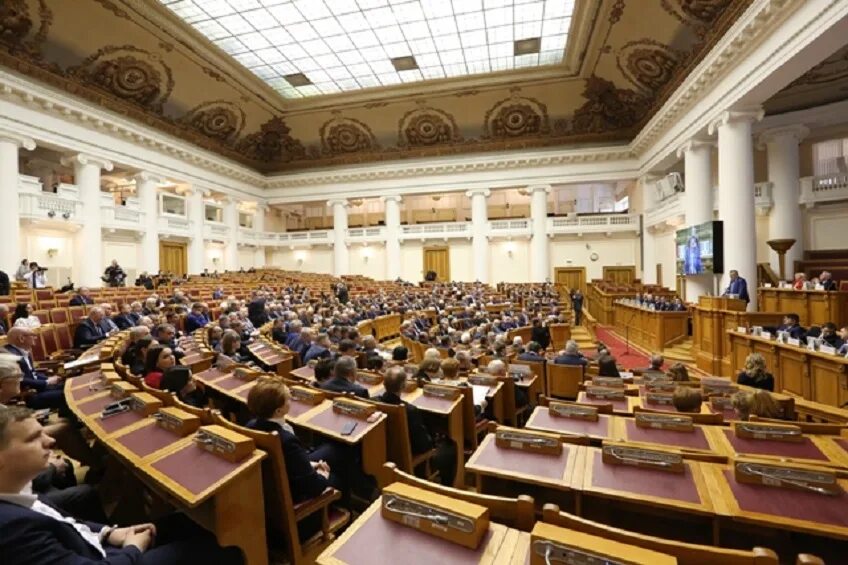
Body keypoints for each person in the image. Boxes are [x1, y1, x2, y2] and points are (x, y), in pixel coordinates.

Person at [0, 406, 242, 565]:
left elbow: (66, 522)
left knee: (193, 522)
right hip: (108, 558)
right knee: (222, 548)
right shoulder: (12, 529)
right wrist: (132, 549)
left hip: (99, 545)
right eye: (33, 438)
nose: (51, 441)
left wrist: (110, 532)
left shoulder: (16, 489)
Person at [246, 377, 344, 540]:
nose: (290, 400)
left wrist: (309, 464)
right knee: (337, 477)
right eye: (288, 398)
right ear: (278, 411)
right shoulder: (285, 440)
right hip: (294, 503)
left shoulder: (250, 426)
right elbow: (315, 486)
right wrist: (322, 473)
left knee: (331, 450)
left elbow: (287, 462)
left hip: (273, 492)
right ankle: (345, 527)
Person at [377, 367, 456, 486]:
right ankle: (446, 487)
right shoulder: (409, 410)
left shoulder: (375, 402)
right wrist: (434, 441)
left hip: (385, 450)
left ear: (384, 383)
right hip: (408, 455)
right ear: (403, 386)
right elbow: (424, 445)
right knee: (451, 447)